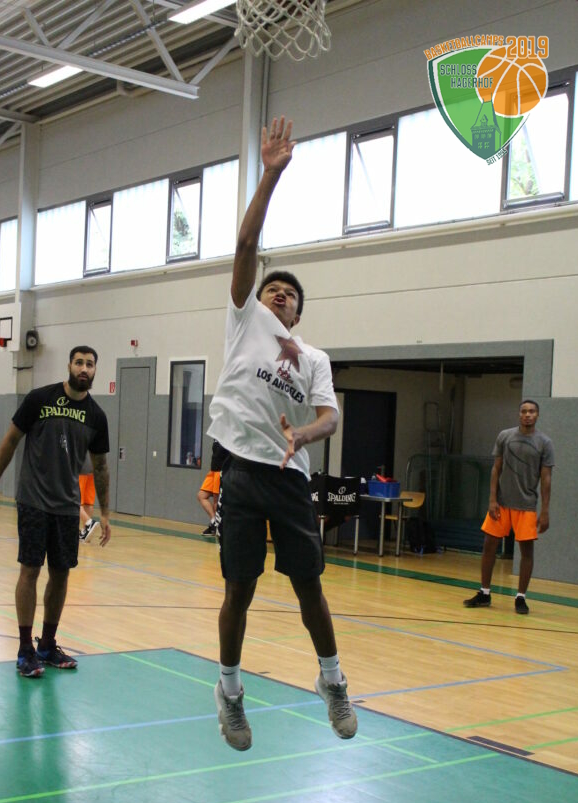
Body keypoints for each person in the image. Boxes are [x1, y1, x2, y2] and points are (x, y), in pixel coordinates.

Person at [208, 116, 357, 751]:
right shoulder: (245, 321)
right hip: (242, 472)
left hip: (290, 478)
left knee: (308, 586)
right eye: (272, 289)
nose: (279, 296)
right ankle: (230, 692)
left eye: (289, 295)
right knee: (239, 589)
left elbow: (330, 416)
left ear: (298, 311)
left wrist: (305, 435)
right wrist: (270, 174)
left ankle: (333, 681)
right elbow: (246, 244)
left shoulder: (314, 358)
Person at [0, 346, 111, 678]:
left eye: (90, 364)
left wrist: (105, 513)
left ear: (95, 371)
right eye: (79, 362)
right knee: (30, 570)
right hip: (34, 501)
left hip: (67, 507)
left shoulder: (96, 416)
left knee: (61, 574)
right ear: (69, 365)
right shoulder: (40, 399)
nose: (84, 368)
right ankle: (25, 649)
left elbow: (100, 467)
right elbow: (10, 440)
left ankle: (48, 644)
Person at [463, 399, 555, 615]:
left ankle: (521, 597)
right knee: (489, 545)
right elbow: (496, 469)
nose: (527, 415)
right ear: (519, 414)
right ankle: (484, 592)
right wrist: (492, 499)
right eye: (524, 411)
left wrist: (545, 510)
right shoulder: (505, 436)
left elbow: (546, 478)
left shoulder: (545, 443)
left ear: (537, 415)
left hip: (526, 505)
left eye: (532, 411)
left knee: (526, 551)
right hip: (501, 503)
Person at [197, 439, 228, 535]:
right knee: (201, 496)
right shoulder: (216, 437)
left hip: (220, 471)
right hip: (213, 471)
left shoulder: (227, 437)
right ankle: (214, 521)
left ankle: (217, 527)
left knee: (216, 500)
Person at [79, 452, 99, 543]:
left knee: (74, 501)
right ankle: (86, 533)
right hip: (94, 465)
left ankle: (88, 522)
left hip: (81, 466)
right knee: (88, 502)